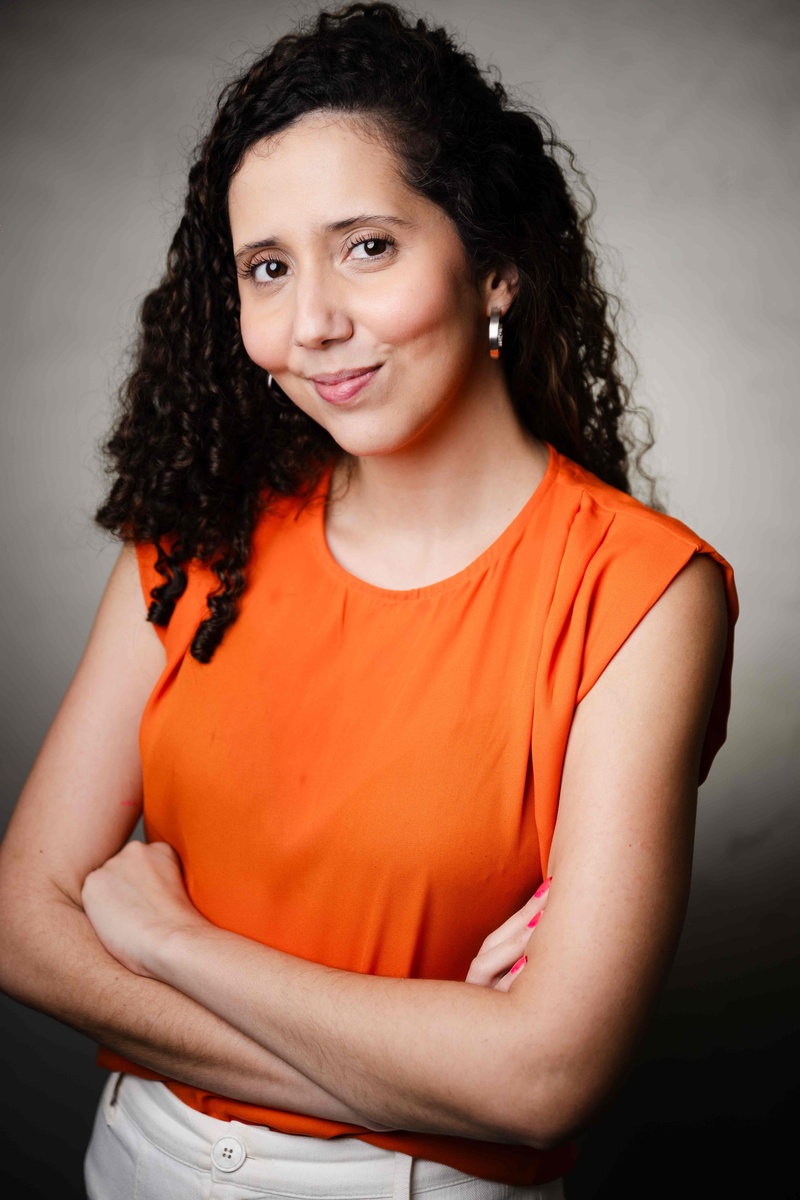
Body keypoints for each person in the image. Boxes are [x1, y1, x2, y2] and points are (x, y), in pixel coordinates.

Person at [0, 2, 739, 1197]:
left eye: (367, 247)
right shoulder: (191, 543)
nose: (313, 325)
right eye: (269, 269)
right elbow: (20, 926)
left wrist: (165, 941)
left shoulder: (640, 592)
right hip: (136, 1158)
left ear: (493, 264)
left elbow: (542, 1082)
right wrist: (432, 1061)